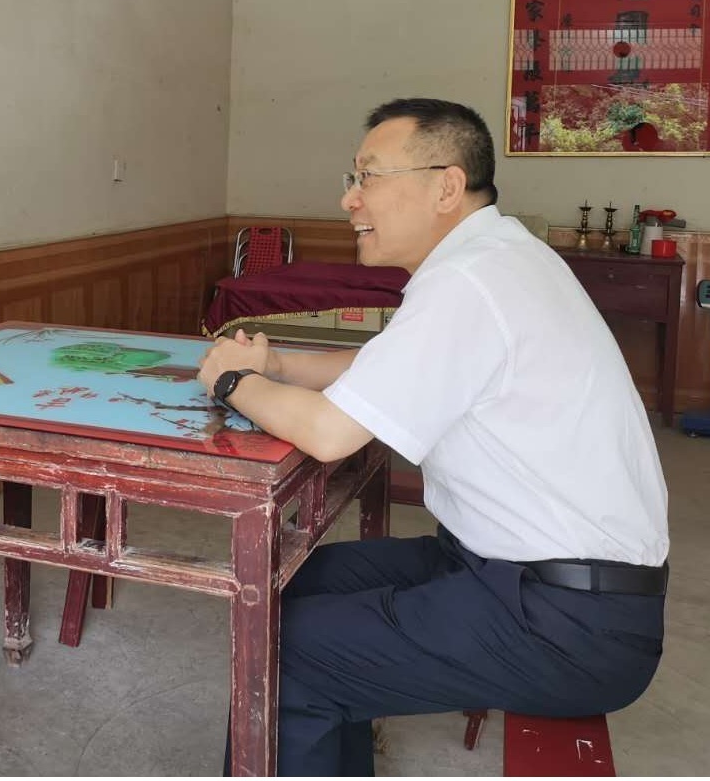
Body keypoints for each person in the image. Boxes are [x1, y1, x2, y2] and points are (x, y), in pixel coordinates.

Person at [195, 98, 667, 775]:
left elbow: (329, 435)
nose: (349, 199)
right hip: (507, 568)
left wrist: (230, 381)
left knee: (287, 647)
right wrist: (278, 366)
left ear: (446, 186)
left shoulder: (472, 281)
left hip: (570, 622)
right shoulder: (494, 258)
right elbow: (386, 365)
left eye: (368, 176)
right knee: (298, 581)